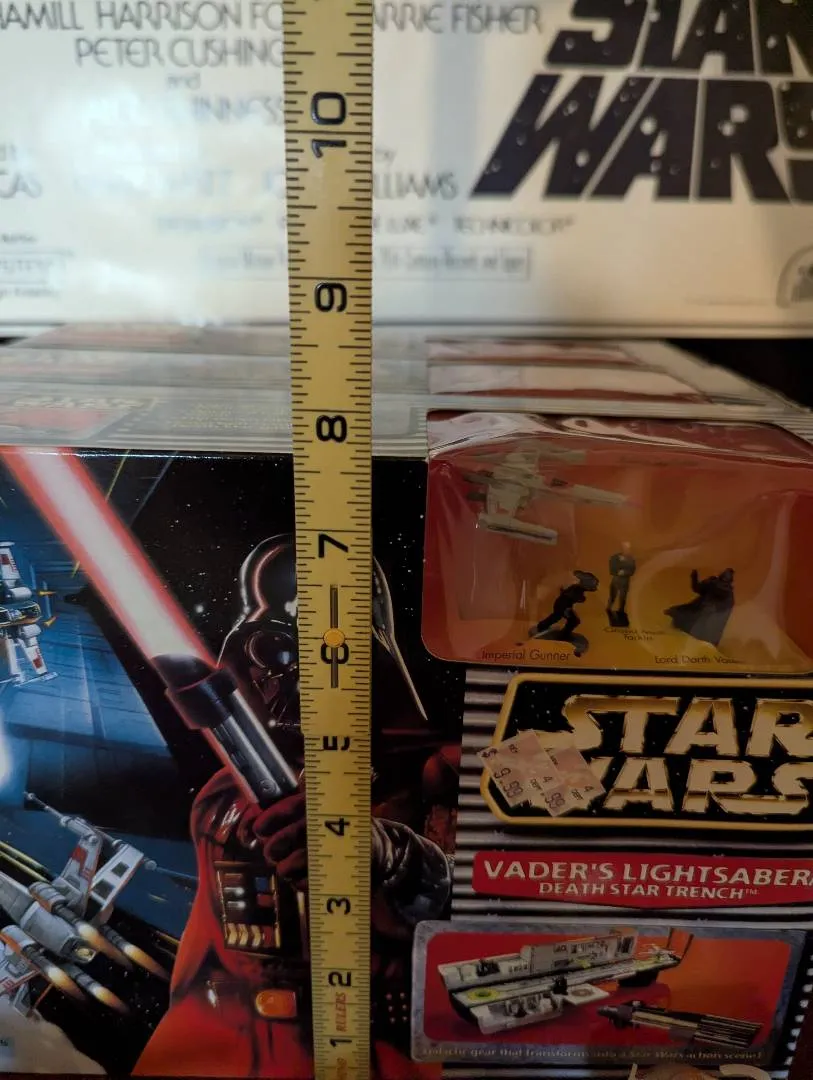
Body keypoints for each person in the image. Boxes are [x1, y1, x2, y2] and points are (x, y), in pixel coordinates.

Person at [134, 537, 457, 1079]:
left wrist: (391, 857)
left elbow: (484, 912)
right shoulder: (223, 795)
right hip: (239, 1047)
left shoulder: (439, 772)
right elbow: (209, 941)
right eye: (274, 648)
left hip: (381, 1053)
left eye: (329, 649)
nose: (299, 673)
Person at [665, 567, 735, 647]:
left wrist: (694, 578)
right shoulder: (727, 595)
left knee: (682, 617)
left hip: (702, 617)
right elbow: (698, 588)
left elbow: (697, 588)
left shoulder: (713, 584)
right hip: (704, 620)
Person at [530, 570, 599, 643]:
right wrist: (569, 607)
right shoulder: (577, 589)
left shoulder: (576, 588)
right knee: (571, 620)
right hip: (563, 605)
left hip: (563, 605)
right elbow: (572, 596)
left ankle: (544, 627)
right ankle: (562, 634)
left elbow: (567, 594)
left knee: (557, 617)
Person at [607, 541, 636, 619]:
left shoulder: (631, 559)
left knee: (623, 597)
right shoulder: (615, 557)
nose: (626, 549)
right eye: (625, 547)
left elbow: (632, 570)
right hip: (616, 580)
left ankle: (621, 611)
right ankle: (609, 608)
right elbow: (611, 568)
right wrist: (618, 572)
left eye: (628, 548)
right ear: (621, 548)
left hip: (625, 581)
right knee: (613, 596)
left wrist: (625, 572)